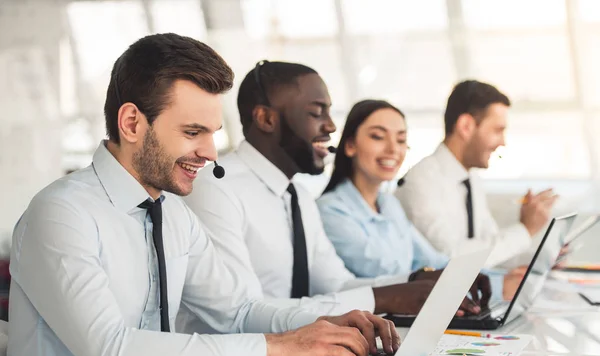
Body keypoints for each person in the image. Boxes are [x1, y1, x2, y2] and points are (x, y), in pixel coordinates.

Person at [6, 35, 399, 356]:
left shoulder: (174, 215)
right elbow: (114, 355)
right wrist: (275, 348)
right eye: (193, 132)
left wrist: (327, 325)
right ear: (131, 124)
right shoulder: (60, 214)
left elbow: (239, 311)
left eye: (213, 133)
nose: (211, 153)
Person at [183, 61, 489, 334]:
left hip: (297, 354)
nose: (330, 126)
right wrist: (385, 297)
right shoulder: (217, 189)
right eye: (317, 113)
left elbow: (335, 284)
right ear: (266, 119)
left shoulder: (299, 197)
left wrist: (414, 283)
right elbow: (242, 314)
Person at [317, 99, 525, 301]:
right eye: (378, 137)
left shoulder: (389, 205)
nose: (393, 149)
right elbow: (389, 272)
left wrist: (496, 279)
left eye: (400, 140)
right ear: (350, 145)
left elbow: (432, 260)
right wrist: (496, 286)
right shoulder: (331, 211)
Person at [395, 80, 557, 269]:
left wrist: (542, 258)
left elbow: (489, 250)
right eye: (497, 130)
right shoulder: (420, 181)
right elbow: (452, 259)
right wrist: (525, 229)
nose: (502, 142)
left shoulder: (471, 180)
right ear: (466, 126)